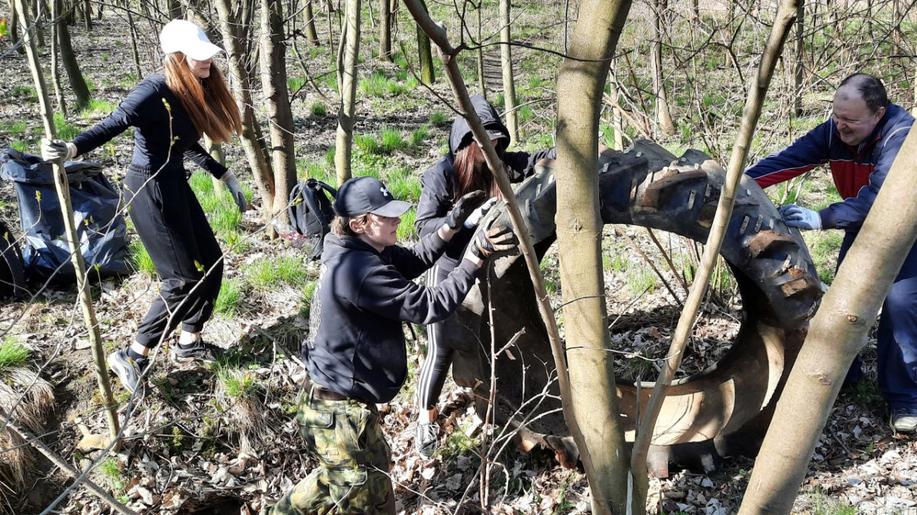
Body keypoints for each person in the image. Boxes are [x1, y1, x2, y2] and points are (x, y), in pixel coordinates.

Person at [269, 176, 516, 513]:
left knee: (353, 480)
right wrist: (475, 256)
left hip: (338, 402)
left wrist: (454, 225)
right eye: (386, 216)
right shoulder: (358, 270)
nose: (397, 220)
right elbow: (430, 305)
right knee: (361, 497)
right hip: (337, 411)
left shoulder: (353, 248)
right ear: (359, 223)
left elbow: (414, 259)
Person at [41, 19, 247, 394]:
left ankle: (188, 342)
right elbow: (113, 123)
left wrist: (224, 174)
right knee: (181, 279)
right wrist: (71, 149)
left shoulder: (189, 89)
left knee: (212, 263)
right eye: (197, 58)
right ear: (177, 58)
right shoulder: (152, 92)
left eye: (207, 56)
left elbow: (184, 141)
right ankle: (133, 355)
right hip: (148, 188)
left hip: (174, 184)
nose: (207, 64)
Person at [745, 73, 916, 433]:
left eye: (850, 120)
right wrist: (739, 182)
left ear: (878, 114)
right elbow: (789, 160)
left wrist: (822, 217)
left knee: (901, 309)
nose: (841, 126)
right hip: (863, 227)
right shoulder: (833, 131)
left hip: (909, 230)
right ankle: (843, 378)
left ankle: (905, 400)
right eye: (837, 116)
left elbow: (880, 200)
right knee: (842, 303)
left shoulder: (903, 138)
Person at [412, 95, 555, 456]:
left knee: (490, 336)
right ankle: (426, 420)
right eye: (484, 143)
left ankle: (497, 401)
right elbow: (423, 228)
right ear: (465, 143)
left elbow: (535, 160)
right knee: (442, 345)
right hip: (448, 268)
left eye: (496, 142)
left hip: (488, 267)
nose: (492, 148)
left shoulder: (500, 164)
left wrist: (561, 153)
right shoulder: (442, 174)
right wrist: (464, 219)